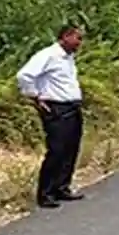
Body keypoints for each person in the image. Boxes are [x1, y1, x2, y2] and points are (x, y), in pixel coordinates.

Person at [16, 25, 86, 209]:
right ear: (65, 36)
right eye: (77, 38)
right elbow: (24, 75)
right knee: (57, 150)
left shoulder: (68, 58)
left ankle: (62, 187)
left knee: (71, 148)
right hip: (56, 108)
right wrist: (35, 96)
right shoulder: (48, 55)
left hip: (72, 107)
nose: (80, 43)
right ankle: (45, 193)